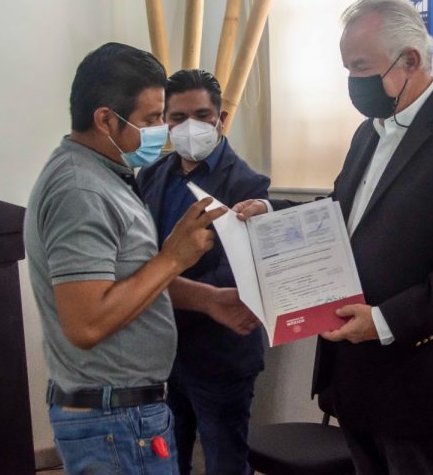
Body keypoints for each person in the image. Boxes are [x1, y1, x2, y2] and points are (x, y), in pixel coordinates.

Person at [234, 0, 433, 475]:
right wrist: (270, 210)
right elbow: (341, 214)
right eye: (347, 68)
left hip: (416, 375)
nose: (352, 83)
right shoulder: (370, 131)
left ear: (410, 61)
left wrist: (385, 320)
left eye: (361, 68)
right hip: (353, 372)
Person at [24, 42, 258, 474]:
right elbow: (86, 324)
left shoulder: (106, 175)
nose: (161, 131)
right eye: (152, 119)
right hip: (113, 416)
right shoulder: (81, 191)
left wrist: (207, 298)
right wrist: (173, 257)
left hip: (131, 406)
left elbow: (128, 279)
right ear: (105, 120)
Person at [137, 69, 269, 475]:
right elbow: (139, 256)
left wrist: (157, 290)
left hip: (219, 355)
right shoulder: (151, 175)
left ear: (220, 119)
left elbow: (237, 278)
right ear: (165, 121)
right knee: (166, 460)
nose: (189, 126)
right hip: (162, 352)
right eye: (177, 117)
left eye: (201, 115)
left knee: (225, 462)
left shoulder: (247, 184)